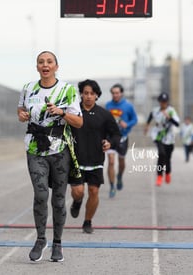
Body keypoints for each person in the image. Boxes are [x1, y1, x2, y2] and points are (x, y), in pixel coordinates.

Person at [17, 51, 83, 262]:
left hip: (59, 150)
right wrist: (22, 115)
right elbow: (20, 111)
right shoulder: (28, 88)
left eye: (49, 62)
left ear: (56, 66)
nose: (45, 65)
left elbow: (79, 122)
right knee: (40, 195)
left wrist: (61, 113)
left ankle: (57, 243)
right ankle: (40, 238)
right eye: (41, 62)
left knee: (58, 199)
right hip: (35, 149)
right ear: (37, 67)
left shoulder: (68, 90)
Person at [69, 79, 120, 234]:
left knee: (94, 191)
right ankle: (77, 202)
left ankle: (87, 221)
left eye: (92, 93)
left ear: (97, 95)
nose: (89, 96)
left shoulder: (104, 115)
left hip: (96, 160)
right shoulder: (73, 112)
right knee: (78, 192)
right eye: (86, 93)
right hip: (76, 160)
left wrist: (110, 143)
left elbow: (116, 134)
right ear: (81, 94)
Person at [105, 84, 138, 198]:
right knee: (111, 162)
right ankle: (112, 186)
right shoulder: (108, 105)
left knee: (121, 162)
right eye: (113, 93)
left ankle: (119, 176)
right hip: (110, 137)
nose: (115, 95)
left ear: (121, 93)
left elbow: (135, 119)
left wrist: (127, 124)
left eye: (117, 93)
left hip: (123, 137)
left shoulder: (128, 106)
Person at [144, 92, 180, 186]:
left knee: (167, 158)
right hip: (158, 135)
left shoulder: (171, 111)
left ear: (167, 102)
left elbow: (177, 123)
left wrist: (169, 117)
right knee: (161, 154)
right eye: (161, 101)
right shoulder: (156, 110)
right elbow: (151, 116)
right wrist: (147, 126)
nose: (163, 103)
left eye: (164, 102)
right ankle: (159, 176)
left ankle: (167, 172)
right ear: (159, 102)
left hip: (169, 137)